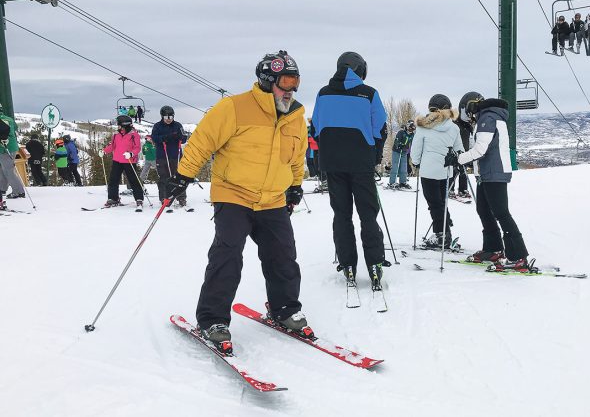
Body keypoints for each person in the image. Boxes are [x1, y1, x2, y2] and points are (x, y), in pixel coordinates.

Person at [164, 50, 309, 350]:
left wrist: (295, 185)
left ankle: (285, 309)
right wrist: (183, 176)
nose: (291, 90)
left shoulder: (295, 116)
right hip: (234, 194)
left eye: (296, 83)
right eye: (286, 82)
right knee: (227, 256)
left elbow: (297, 156)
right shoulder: (234, 107)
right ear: (269, 81)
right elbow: (202, 141)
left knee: (283, 255)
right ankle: (213, 319)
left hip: (272, 198)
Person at [311, 51, 387, 285]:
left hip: (333, 164)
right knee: (368, 214)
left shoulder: (323, 93)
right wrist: (374, 154)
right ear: (361, 69)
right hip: (361, 163)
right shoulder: (369, 94)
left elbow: (315, 127)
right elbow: (380, 127)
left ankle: (348, 264)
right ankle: (374, 263)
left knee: (341, 214)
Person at [446, 94, 531, 271]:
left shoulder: (488, 118)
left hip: (495, 172)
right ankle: (493, 249)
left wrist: (458, 159)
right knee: (484, 210)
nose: (468, 116)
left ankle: (518, 256)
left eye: (467, 111)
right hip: (487, 173)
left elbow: (480, 149)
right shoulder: (488, 117)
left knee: (501, 212)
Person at [410, 94, 463, 248]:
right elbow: (459, 149)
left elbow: (416, 150)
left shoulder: (423, 126)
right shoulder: (454, 127)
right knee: (442, 202)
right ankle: (446, 228)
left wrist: (416, 162)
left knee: (434, 204)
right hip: (447, 171)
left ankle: (441, 235)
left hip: (428, 171)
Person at [100, 115, 143, 208]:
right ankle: (113, 198)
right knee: (113, 180)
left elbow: (137, 148)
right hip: (117, 160)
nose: (118, 127)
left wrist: (131, 154)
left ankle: (139, 198)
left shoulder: (134, 135)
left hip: (129, 160)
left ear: (124, 125)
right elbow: (112, 146)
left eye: (119, 125)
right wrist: (104, 151)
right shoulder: (116, 135)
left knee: (133, 180)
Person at [151, 105, 188, 206]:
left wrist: (181, 137)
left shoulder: (178, 125)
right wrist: (165, 137)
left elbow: (184, 138)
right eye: (166, 117)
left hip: (176, 155)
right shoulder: (157, 126)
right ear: (162, 117)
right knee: (164, 177)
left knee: (179, 177)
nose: (169, 120)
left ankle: (181, 197)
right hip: (162, 156)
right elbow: (154, 138)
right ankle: (165, 198)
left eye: (171, 117)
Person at [450, 93, 478, 198]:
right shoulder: (455, 124)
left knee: (463, 171)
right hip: (456, 151)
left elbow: (471, 139)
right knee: (454, 171)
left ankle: (463, 189)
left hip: (465, 152)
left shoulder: (468, 126)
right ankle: (450, 189)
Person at [0, 103, 26, 199]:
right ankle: (2, 188)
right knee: (3, 169)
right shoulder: (9, 119)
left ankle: (18, 191)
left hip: (4, 148)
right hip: (13, 147)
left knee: (8, 170)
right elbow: (15, 128)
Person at [388, 120, 415, 189]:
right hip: (397, 151)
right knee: (395, 166)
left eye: (413, 129)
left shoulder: (412, 135)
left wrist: (409, 151)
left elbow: (411, 143)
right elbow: (396, 141)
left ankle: (403, 182)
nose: (411, 130)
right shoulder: (401, 132)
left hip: (404, 152)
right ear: (407, 126)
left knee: (404, 167)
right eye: (410, 128)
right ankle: (392, 182)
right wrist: (400, 146)